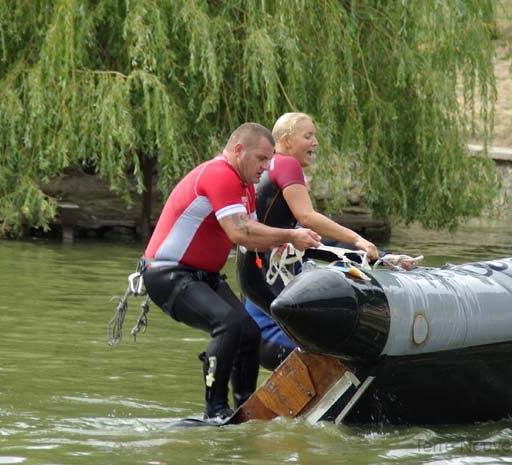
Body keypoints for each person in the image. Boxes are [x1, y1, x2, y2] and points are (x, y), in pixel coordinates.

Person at [142, 122, 322, 422]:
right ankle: (215, 408)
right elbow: (240, 233)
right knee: (228, 325)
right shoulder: (219, 174)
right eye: (262, 159)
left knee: (249, 331)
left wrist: (276, 243)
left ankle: (244, 408)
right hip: (167, 274)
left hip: (203, 277)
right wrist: (289, 236)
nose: (266, 167)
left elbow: (253, 236)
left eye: (269, 161)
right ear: (239, 150)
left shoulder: (246, 187)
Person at [237, 112, 379, 371]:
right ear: (287, 140)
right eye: (308, 136)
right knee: (345, 352)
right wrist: (358, 239)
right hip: (271, 306)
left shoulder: (263, 169)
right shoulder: (287, 164)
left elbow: (300, 231)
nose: (315, 143)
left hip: (255, 296)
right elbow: (307, 217)